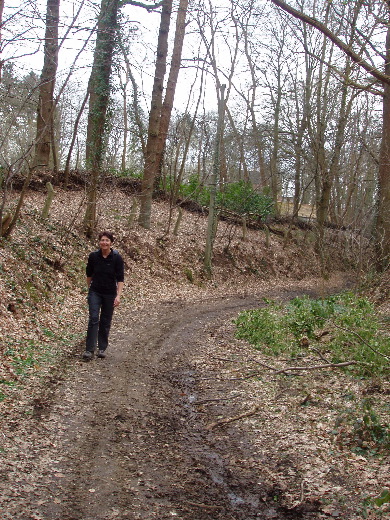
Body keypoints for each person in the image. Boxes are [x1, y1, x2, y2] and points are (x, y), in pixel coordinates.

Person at [83, 231, 124, 360]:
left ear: (111, 243)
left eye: (107, 240)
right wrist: (89, 290)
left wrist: (118, 296)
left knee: (105, 320)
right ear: (99, 242)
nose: (104, 243)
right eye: (102, 240)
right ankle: (89, 350)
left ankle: (102, 348)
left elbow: (120, 279)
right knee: (94, 318)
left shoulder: (117, 258)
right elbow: (89, 274)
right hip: (95, 291)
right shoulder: (93, 256)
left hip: (110, 293)